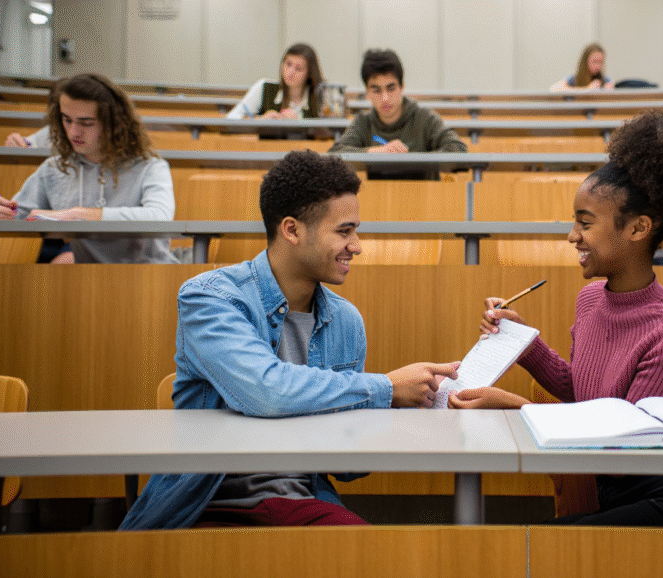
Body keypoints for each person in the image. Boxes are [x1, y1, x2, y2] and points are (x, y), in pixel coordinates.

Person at [120, 150, 460, 530]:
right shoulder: (209, 297)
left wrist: (420, 411)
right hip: (205, 504)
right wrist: (385, 389)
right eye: (344, 231)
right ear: (292, 230)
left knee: (374, 554)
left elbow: (347, 467)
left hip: (301, 499)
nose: (357, 245)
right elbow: (268, 391)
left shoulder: (345, 320)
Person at [448, 111, 663, 530]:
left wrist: (519, 409)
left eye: (585, 223)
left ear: (638, 229)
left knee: (524, 551)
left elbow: (625, 452)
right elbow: (585, 394)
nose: (572, 236)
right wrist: (522, 342)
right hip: (623, 499)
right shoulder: (591, 300)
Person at [0, 73, 178, 264]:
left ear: (113, 124)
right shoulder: (54, 169)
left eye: (86, 123)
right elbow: (20, 216)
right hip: (87, 282)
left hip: (150, 278)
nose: (74, 132)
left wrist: (81, 215)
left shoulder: (150, 166)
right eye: (67, 120)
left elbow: (160, 217)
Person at [329, 49, 466, 179]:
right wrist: (377, 152)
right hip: (378, 199)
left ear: (402, 87)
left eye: (391, 88)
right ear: (367, 92)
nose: (385, 98)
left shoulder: (425, 118)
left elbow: (458, 150)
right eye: (376, 90)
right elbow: (334, 157)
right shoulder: (363, 122)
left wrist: (412, 161)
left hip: (425, 198)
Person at [227, 43, 326, 120]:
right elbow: (231, 118)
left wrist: (300, 123)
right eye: (288, 64)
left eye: (298, 69)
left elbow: (330, 132)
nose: (290, 72)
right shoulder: (265, 87)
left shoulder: (320, 94)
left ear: (310, 73)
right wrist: (260, 120)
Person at [550, 43, 615, 91]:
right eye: (595, 62)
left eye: (601, 62)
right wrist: (587, 89)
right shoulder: (574, 79)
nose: (598, 66)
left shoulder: (605, 80)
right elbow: (554, 89)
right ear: (585, 61)